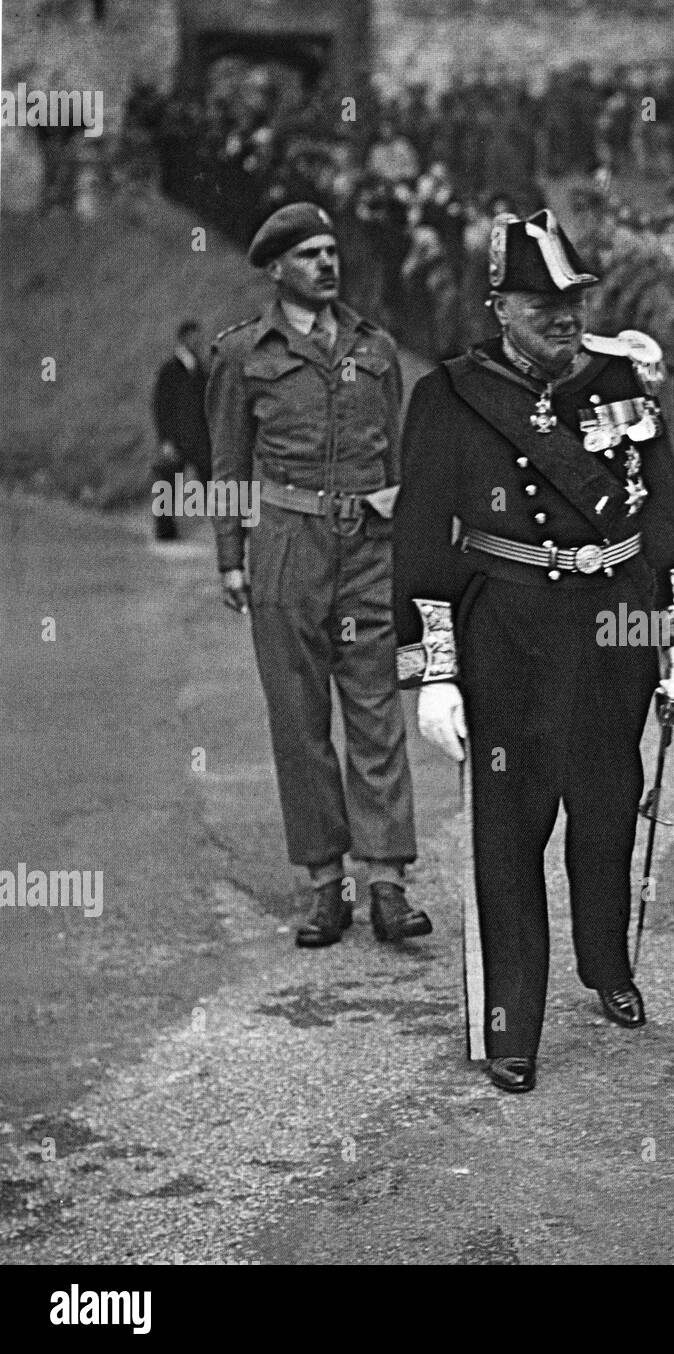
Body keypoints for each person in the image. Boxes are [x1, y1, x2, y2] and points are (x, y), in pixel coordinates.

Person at [392, 208, 674, 1094]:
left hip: (615, 625)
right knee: (509, 829)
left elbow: (666, 513)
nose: (564, 316)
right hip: (509, 630)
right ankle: (510, 1023)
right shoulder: (449, 396)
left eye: (574, 298)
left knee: (608, 807)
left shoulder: (620, 378)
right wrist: (436, 672)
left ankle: (606, 964)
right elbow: (420, 543)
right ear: (498, 306)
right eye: (541, 303)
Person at [206, 202, 429, 951]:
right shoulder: (244, 355)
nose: (327, 265)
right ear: (276, 270)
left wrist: (409, 554)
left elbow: (396, 460)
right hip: (287, 547)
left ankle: (388, 882)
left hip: (368, 544)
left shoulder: (376, 348)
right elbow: (229, 465)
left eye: (332, 252)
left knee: (376, 712)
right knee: (299, 723)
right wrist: (231, 558)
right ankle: (323, 884)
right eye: (309, 256)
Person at [151, 319, 212, 542]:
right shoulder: (169, 371)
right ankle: (165, 533)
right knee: (168, 484)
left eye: (199, 336)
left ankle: (225, 531)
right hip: (176, 439)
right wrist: (165, 440)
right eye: (194, 337)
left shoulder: (201, 369)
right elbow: (161, 407)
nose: (198, 341)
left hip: (199, 437)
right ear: (184, 338)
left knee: (212, 480)